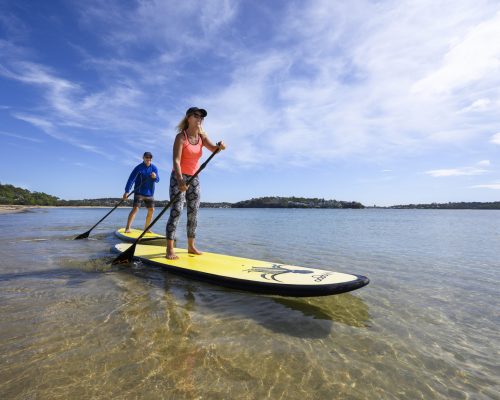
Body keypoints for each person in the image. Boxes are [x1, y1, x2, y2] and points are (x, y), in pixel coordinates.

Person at [166, 107, 226, 259]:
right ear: (188, 118)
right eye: (196, 115)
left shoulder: (202, 138)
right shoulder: (181, 137)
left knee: (193, 213)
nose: (199, 119)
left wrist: (219, 146)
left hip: (195, 178)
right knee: (176, 211)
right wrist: (180, 180)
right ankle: (170, 249)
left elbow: (213, 149)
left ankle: (191, 246)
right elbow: (176, 161)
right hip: (178, 177)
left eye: (201, 117)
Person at [123, 151, 160, 233]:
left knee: (152, 210)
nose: (148, 159)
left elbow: (158, 180)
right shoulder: (138, 168)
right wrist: (127, 191)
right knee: (136, 209)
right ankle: (127, 228)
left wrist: (155, 177)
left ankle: (147, 229)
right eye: (146, 157)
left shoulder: (154, 168)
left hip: (149, 193)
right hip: (139, 192)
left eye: (150, 158)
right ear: (143, 158)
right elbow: (131, 179)